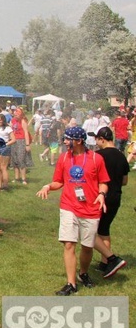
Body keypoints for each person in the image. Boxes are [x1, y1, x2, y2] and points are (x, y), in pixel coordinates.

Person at [35, 126, 109, 296]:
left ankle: (83, 273)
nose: (65, 142)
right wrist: (48, 186)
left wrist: (102, 194)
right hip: (68, 206)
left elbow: (104, 181)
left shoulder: (96, 159)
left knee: (87, 246)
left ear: (79, 141)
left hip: (90, 208)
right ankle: (71, 283)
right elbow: (58, 182)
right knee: (69, 244)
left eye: (68, 139)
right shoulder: (64, 158)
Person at [90, 127, 128, 277]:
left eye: (96, 139)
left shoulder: (98, 156)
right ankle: (105, 263)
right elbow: (124, 181)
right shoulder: (121, 156)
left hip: (100, 197)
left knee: (91, 230)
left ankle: (112, 259)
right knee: (104, 229)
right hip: (115, 197)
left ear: (102, 139)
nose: (96, 142)